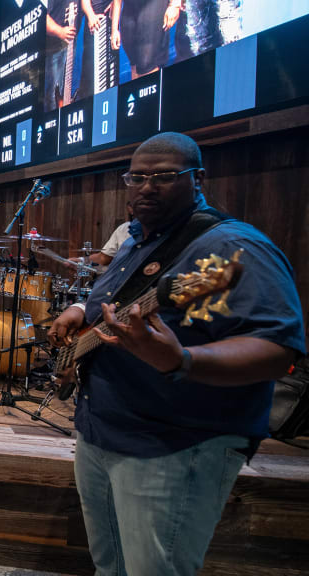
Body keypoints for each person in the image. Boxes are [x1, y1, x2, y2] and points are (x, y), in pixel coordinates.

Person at [47, 132, 304, 575]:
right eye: (138, 177)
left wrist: (181, 360)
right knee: (110, 566)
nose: (147, 187)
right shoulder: (135, 239)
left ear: (198, 177)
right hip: (102, 432)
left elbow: (277, 350)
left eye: (165, 176)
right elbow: (110, 305)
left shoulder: (231, 249)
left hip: (176, 444)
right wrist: (76, 310)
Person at [75, 0, 121, 101]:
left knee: (111, 76)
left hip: (109, 22)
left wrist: (114, 30)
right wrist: (91, 15)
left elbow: (117, 2)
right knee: (90, 78)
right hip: (94, 24)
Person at [44, 0, 79, 109]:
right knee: (52, 96)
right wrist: (60, 31)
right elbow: (42, 17)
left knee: (65, 90)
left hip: (70, 43)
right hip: (54, 48)